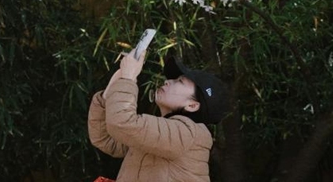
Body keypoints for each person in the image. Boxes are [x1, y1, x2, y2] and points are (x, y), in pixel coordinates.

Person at [88, 50, 231, 182]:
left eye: (179, 81)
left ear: (192, 105)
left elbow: (122, 123)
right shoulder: (162, 133)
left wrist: (128, 78)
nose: (167, 81)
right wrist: (107, 95)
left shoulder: (189, 133)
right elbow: (105, 138)